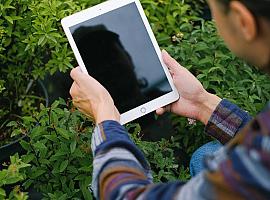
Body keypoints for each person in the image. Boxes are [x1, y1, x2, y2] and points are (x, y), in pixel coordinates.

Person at [69, 0, 270, 199]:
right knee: (204, 156)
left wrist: (104, 114)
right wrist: (203, 104)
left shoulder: (255, 169)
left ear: (243, 21)